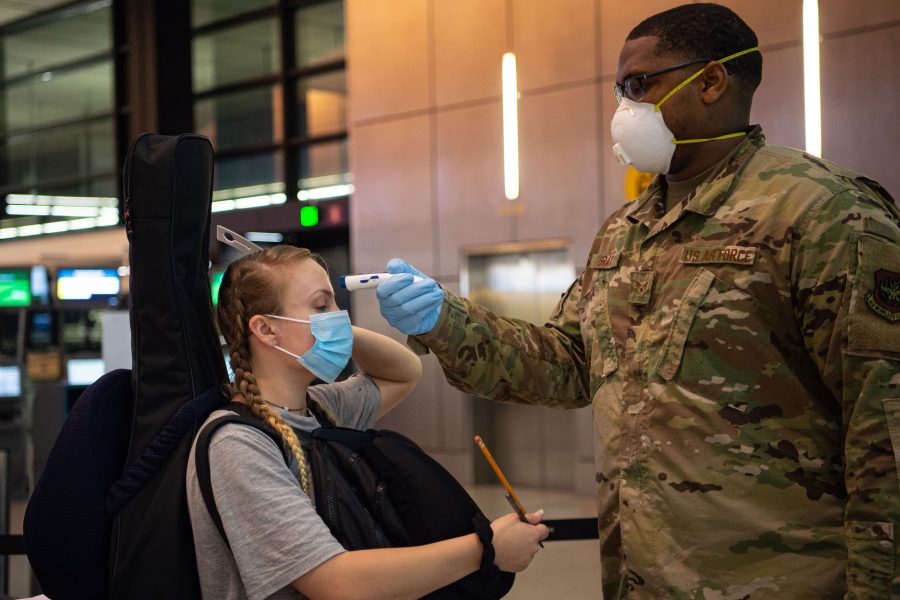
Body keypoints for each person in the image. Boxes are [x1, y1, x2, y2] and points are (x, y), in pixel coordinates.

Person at [373, 3, 900, 598]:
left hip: (776, 582)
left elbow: (883, 429)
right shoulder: (625, 230)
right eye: (619, 90)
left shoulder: (822, 212)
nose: (625, 107)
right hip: (639, 578)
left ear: (711, 81)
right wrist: (446, 319)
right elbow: (567, 365)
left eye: (639, 85)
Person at [185, 244, 549, 600]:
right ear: (266, 330)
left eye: (336, 305)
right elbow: (336, 583)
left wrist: (335, 328)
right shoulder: (238, 444)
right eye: (321, 305)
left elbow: (403, 373)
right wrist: (485, 549)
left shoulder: (320, 408)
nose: (339, 315)